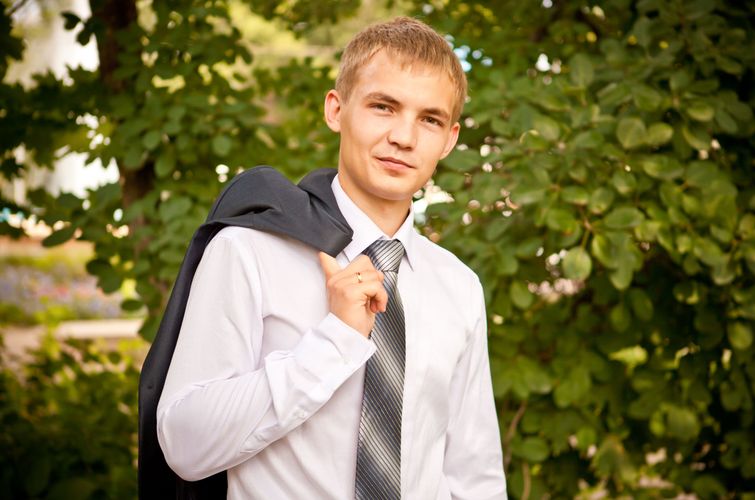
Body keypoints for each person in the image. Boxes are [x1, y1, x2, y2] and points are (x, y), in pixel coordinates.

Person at [156, 16, 506, 499]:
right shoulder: (249, 250)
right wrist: (334, 342)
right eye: (383, 106)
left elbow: (474, 476)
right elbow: (185, 445)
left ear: (449, 139)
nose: (404, 137)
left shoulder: (459, 287)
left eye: (430, 119)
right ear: (336, 109)